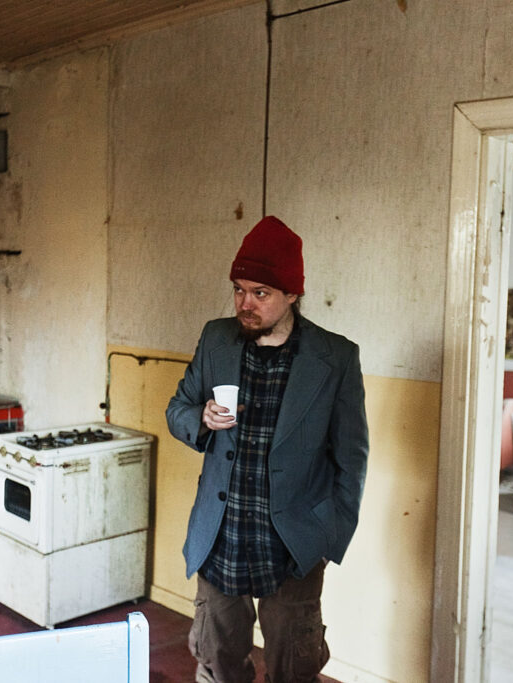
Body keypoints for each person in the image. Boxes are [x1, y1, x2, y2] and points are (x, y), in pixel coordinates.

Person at [166, 215, 369, 683]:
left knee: (293, 668)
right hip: (222, 533)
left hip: (293, 543)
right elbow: (178, 408)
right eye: (239, 290)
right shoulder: (216, 338)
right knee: (216, 663)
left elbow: (352, 457)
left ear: (293, 294)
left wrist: (329, 536)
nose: (245, 304)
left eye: (261, 293)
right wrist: (200, 418)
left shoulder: (335, 356)